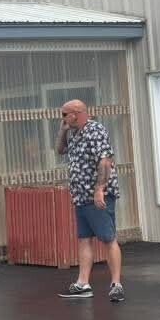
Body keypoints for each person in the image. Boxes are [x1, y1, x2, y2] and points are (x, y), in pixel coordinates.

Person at [56, 99, 125, 302]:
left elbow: (105, 161)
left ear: (76, 113)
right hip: (81, 196)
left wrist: (99, 190)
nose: (62, 118)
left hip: (97, 196)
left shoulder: (95, 130)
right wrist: (62, 130)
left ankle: (116, 285)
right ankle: (83, 284)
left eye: (64, 114)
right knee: (84, 238)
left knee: (108, 238)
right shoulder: (74, 133)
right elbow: (60, 150)